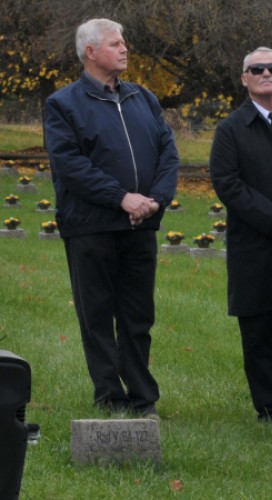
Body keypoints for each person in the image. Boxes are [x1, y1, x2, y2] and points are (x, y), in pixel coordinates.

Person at [44, 18, 178, 417]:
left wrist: (155, 200)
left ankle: (142, 397)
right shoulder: (62, 104)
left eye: (124, 43)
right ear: (91, 52)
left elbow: (168, 153)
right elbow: (70, 165)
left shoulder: (144, 98)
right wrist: (121, 198)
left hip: (140, 227)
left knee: (138, 316)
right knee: (97, 315)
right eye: (116, 43)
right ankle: (110, 395)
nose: (124, 49)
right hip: (92, 226)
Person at [209, 47, 272, 426]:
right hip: (254, 245)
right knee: (258, 332)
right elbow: (229, 185)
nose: (266, 73)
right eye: (257, 69)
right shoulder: (230, 129)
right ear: (245, 79)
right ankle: (269, 408)